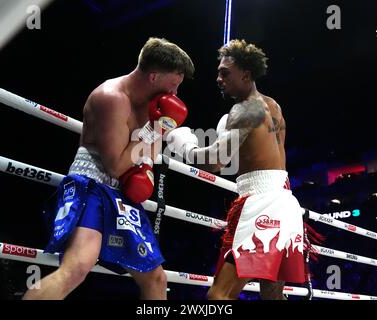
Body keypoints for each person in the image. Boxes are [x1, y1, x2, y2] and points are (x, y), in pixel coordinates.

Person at [23, 37, 194, 300]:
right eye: (173, 85)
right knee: (77, 267)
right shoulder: (111, 98)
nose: (175, 94)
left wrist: (148, 163)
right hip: (91, 183)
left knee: (156, 278)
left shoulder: (152, 107)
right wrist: (157, 128)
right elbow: (115, 165)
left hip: (122, 191)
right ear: (153, 77)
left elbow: (147, 154)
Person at [166, 39, 304, 300]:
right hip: (285, 203)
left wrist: (184, 146)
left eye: (224, 72)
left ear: (246, 74)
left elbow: (216, 163)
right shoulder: (273, 106)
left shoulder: (243, 111)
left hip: (259, 206)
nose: (218, 78)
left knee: (219, 295)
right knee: (272, 295)